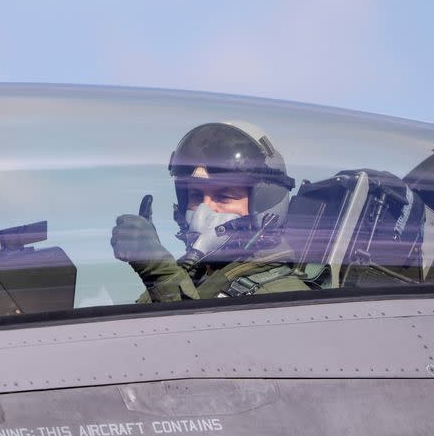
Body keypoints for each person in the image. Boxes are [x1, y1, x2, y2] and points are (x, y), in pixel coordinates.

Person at [111, 121, 309, 303]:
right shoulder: (197, 276)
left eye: (224, 197)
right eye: (196, 196)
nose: (204, 211)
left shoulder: (280, 299)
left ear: (266, 205)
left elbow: (190, 339)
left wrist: (159, 272)